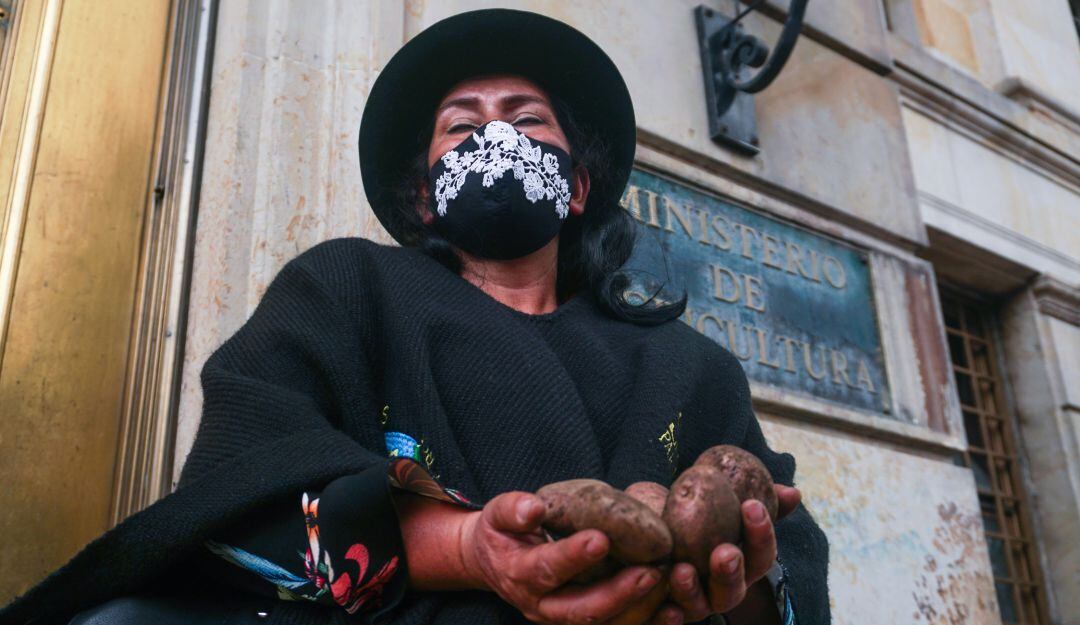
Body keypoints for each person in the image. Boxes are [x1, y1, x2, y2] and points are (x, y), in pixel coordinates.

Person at [0, 9, 829, 625]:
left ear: (576, 187)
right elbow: (239, 474)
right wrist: (468, 547)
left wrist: (727, 579)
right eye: (462, 125)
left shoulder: (690, 365)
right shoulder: (348, 289)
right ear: (429, 196)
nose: (495, 134)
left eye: (526, 118)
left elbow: (790, 559)